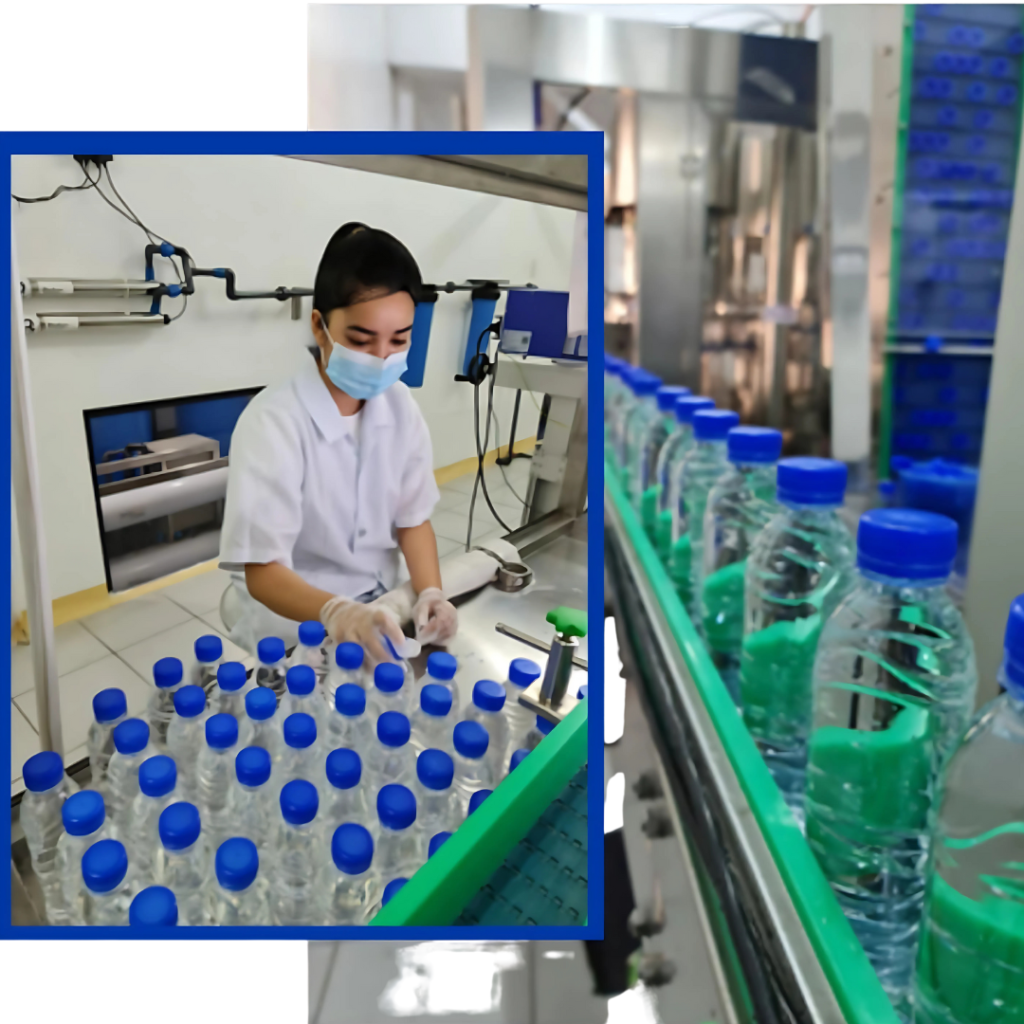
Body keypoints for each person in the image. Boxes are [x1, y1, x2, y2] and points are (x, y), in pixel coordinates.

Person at [219, 222, 458, 662]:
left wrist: (431, 592)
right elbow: (263, 572)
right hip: (297, 620)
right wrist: (335, 611)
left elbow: (413, 518)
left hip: (382, 605)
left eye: (399, 340)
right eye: (361, 340)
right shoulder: (273, 423)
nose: (381, 357)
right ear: (320, 326)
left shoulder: (400, 407)